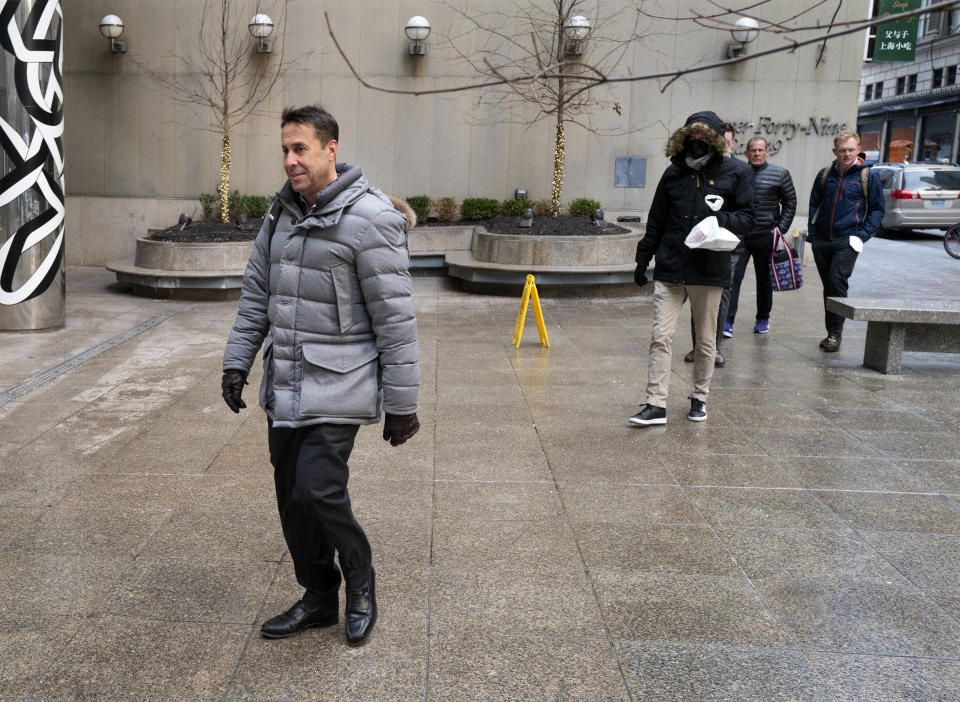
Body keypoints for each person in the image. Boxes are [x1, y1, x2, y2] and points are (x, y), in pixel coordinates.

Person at [221, 105, 420, 645]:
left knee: (316, 489)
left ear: (331, 149)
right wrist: (238, 360)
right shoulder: (280, 213)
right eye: (285, 149)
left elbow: (395, 321)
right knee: (291, 496)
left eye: (300, 149)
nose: (289, 160)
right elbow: (256, 295)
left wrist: (402, 403)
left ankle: (360, 579)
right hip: (285, 380)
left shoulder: (373, 218)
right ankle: (317, 596)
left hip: (341, 381)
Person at [631, 111, 754, 425]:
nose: (697, 144)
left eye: (704, 139)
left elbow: (749, 218)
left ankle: (699, 397)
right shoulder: (673, 174)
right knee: (660, 335)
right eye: (692, 139)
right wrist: (643, 257)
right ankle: (656, 403)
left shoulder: (736, 172)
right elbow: (657, 219)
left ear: (714, 141)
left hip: (709, 267)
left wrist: (720, 217)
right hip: (671, 264)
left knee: (705, 339)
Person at [808, 130, 884, 352]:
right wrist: (812, 233)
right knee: (828, 287)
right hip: (822, 240)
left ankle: (834, 335)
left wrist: (861, 236)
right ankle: (831, 330)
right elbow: (814, 204)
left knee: (836, 282)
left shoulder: (868, 176)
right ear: (835, 151)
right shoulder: (824, 175)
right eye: (842, 150)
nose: (847, 154)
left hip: (848, 240)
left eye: (851, 150)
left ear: (859, 150)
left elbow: (878, 210)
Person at [684, 123, 752, 367]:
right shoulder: (701, 168)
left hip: (729, 244)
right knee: (698, 293)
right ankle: (698, 345)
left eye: (728, 140)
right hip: (702, 243)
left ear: (732, 143)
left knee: (721, 294)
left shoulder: (739, 171)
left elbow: (746, 213)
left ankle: (713, 347)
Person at [726, 136, 797, 336]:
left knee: (764, 279)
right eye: (753, 150)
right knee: (733, 278)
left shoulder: (780, 174)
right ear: (746, 153)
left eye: (760, 150)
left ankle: (763, 318)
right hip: (740, 234)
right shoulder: (737, 172)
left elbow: (790, 203)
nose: (756, 153)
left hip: (766, 234)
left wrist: (780, 229)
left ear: (767, 152)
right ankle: (727, 321)